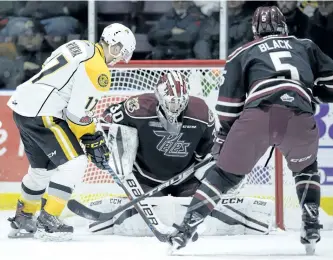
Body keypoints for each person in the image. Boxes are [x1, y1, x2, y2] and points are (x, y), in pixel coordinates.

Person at [168, 6, 333, 255]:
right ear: (284, 26)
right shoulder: (305, 45)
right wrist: (310, 93)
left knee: (223, 176)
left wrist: (224, 138)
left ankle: (186, 228)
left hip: (259, 117)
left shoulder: (242, 52)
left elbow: (227, 108)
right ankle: (311, 222)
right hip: (299, 117)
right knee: (306, 169)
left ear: (255, 29)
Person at [87, 71, 273, 236]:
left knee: (201, 200)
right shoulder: (138, 107)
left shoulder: (201, 113)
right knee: (121, 133)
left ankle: (229, 211)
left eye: (179, 104)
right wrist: (104, 144)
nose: (174, 110)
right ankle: (128, 203)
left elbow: (211, 149)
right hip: (144, 178)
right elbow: (107, 119)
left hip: (186, 177)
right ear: (159, 97)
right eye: (170, 104)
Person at [6, 23, 136, 241]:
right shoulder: (98, 69)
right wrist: (91, 138)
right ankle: (49, 218)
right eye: (120, 53)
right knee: (76, 162)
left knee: (41, 170)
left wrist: (88, 135)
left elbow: (49, 66)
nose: (118, 60)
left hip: (23, 106)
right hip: (43, 112)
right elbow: (77, 114)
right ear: (114, 46)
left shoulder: (80, 45)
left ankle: (24, 216)